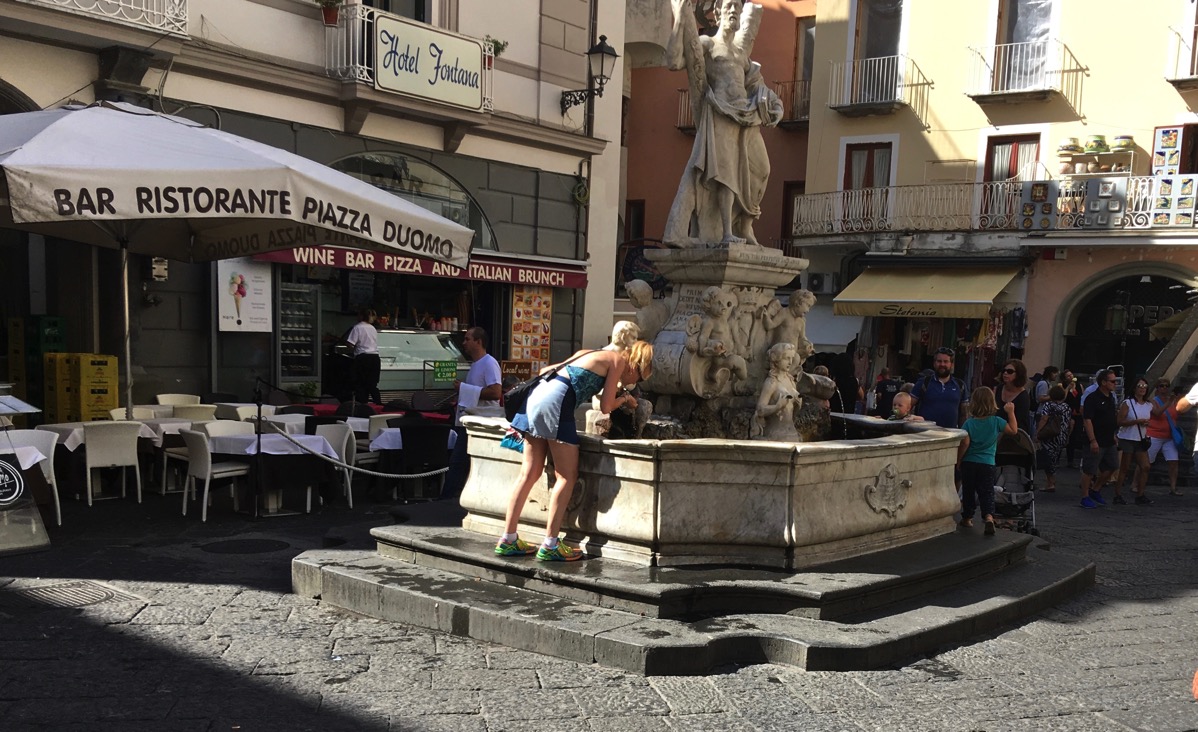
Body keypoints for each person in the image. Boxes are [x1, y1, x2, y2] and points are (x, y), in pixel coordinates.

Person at [496, 341, 654, 562]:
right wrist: (626, 399)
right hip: (557, 403)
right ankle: (550, 544)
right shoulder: (617, 361)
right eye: (640, 377)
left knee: (529, 473)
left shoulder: (591, 352)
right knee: (567, 475)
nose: (634, 383)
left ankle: (508, 539)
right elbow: (606, 407)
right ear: (635, 366)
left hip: (535, 398)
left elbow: (544, 371)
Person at [663, 0, 783, 246]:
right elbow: (674, 61)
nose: (733, 12)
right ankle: (728, 232)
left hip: (747, 118)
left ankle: (746, 225)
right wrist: (679, 18)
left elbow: (758, 85)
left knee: (762, 169)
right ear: (717, 13)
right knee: (726, 175)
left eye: (737, 9)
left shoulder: (741, 54)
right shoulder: (708, 44)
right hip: (720, 114)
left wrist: (774, 105)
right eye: (728, 7)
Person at [442, 327, 502, 498]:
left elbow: (496, 392)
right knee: (461, 462)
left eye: (468, 339)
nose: (464, 343)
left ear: (479, 342)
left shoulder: (489, 363)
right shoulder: (476, 365)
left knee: (459, 462)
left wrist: (464, 389)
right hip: (469, 421)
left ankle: (447, 498)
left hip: (480, 422)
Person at [957, 387, 1018, 536]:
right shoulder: (996, 421)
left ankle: (968, 517)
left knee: (969, 490)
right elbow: (1013, 430)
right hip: (988, 463)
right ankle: (989, 516)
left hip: (970, 462)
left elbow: (965, 443)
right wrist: (1011, 412)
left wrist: (959, 460)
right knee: (987, 491)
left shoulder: (968, 423)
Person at [1081, 368, 1120, 509]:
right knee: (1090, 469)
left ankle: (1095, 489)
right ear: (1103, 382)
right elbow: (1087, 419)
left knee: (1112, 466)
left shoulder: (1111, 397)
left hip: (1108, 439)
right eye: (1113, 381)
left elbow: (1111, 417)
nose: (1115, 384)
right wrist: (1092, 440)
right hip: (1096, 439)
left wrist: (1114, 435)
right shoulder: (1092, 398)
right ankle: (1085, 496)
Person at [1113, 378, 1154, 506]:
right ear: (1135, 388)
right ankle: (1118, 494)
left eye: (1144, 386)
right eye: (1140, 386)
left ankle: (1140, 494)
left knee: (1145, 466)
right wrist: (1136, 422)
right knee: (1125, 467)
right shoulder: (1128, 403)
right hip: (1128, 438)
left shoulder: (1149, 405)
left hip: (1140, 438)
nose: (1142, 388)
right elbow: (1120, 421)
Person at [910, 347, 968, 428]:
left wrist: (963, 434)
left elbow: (964, 414)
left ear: (951, 364)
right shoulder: (923, 383)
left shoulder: (960, 385)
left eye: (946, 361)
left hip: (950, 436)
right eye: (939, 361)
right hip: (925, 435)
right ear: (934, 363)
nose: (942, 364)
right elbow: (907, 406)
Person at [1147, 380, 1183, 497]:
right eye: (1161, 386)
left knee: (1173, 461)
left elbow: (1177, 413)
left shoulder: (1172, 401)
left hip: (1169, 436)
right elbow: (1157, 413)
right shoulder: (1152, 401)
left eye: (1166, 386)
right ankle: (1135, 483)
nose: (1164, 388)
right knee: (1146, 462)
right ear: (1157, 388)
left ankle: (1173, 487)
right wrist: (1168, 403)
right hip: (1154, 435)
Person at [1034, 385, 1072, 492]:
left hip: (1049, 435)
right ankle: (1051, 481)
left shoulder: (1048, 405)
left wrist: (1038, 432)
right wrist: (1067, 435)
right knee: (1055, 458)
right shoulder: (1066, 407)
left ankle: (1050, 482)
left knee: (1047, 457)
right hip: (1061, 435)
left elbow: (1044, 419)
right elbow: (1070, 422)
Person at [345, 309, 381, 405]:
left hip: (363, 358)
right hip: (375, 358)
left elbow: (350, 344)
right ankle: (379, 405)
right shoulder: (372, 328)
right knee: (372, 384)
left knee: (360, 384)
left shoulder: (357, 327)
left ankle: (362, 405)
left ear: (361, 316)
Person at [994, 359, 1032, 435]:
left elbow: (1021, 422)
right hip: (997, 432)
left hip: (1015, 435)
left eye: (1010, 371)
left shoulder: (1023, 397)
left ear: (1018, 374)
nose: (1005, 373)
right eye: (1004, 370)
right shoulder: (999, 388)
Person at [1062, 370, 1085, 469]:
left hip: (1078, 414)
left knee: (1075, 436)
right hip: (1068, 413)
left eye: (1071, 374)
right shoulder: (1062, 386)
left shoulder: (1079, 385)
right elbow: (1062, 398)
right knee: (1066, 436)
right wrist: (1068, 388)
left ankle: (1071, 460)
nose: (1070, 377)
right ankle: (1064, 458)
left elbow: (1083, 397)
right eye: (1068, 376)